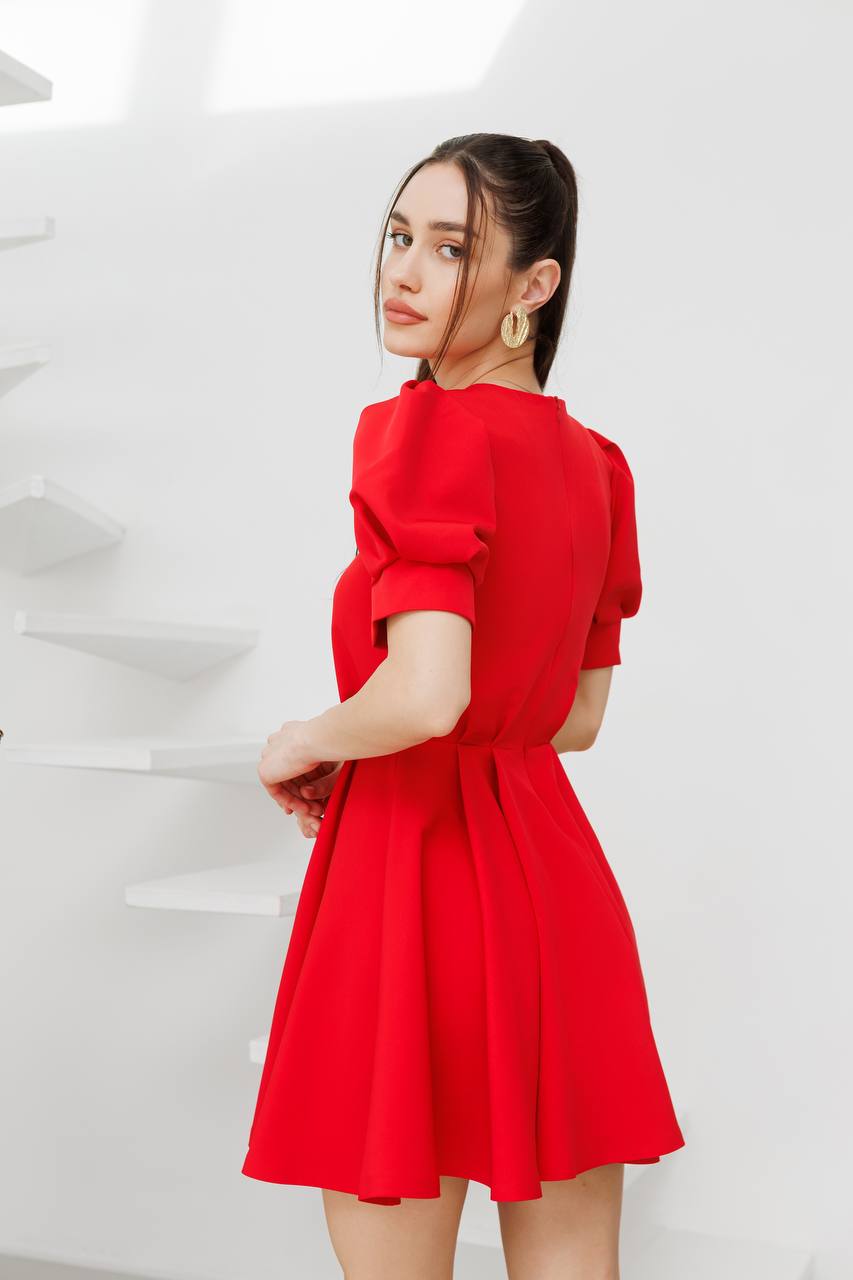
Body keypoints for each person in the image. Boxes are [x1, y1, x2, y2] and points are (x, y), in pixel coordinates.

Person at [241, 133, 685, 1280]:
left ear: (534, 287)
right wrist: (382, 729)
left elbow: (429, 693)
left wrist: (305, 739)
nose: (405, 272)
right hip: (551, 888)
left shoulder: (420, 427)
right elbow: (573, 721)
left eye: (452, 248)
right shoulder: (599, 467)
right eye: (400, 237)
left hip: (408, 879)